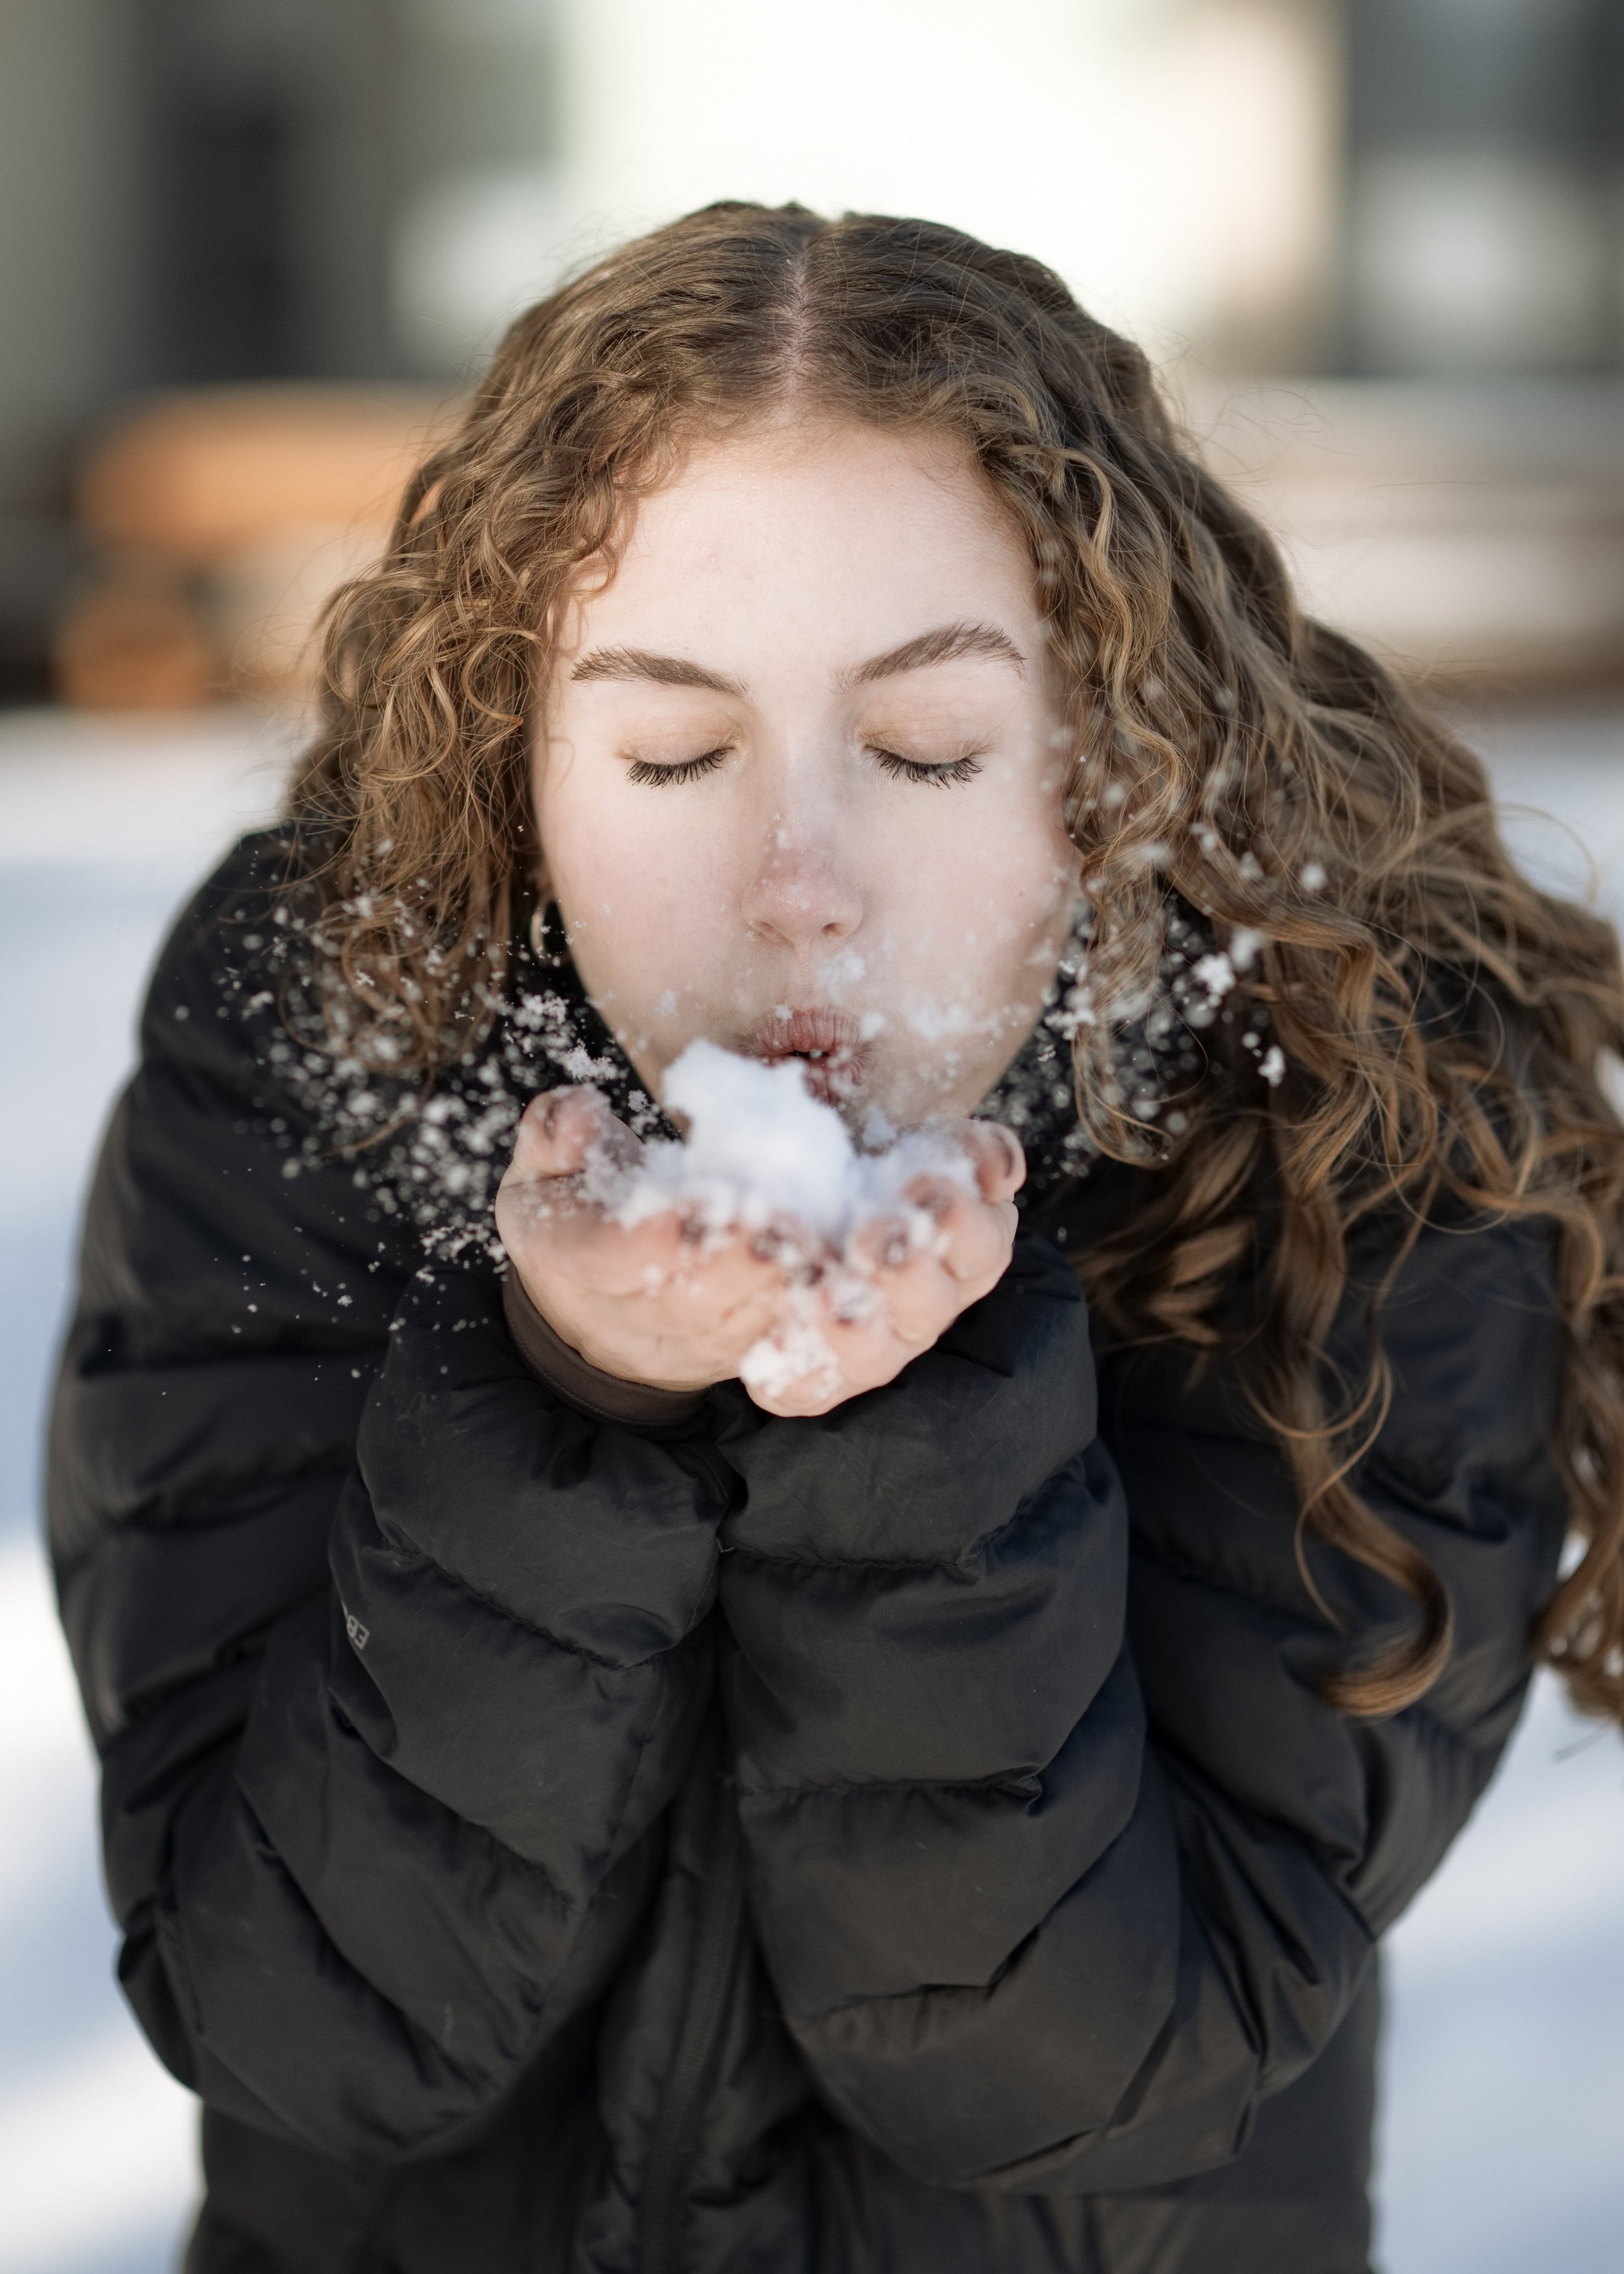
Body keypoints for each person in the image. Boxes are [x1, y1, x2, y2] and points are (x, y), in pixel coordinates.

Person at [47, 203, 1624, 2274]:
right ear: (520, 760)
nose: (797, 880)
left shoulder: (1358, 1103)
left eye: (922, 750)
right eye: (672, 752)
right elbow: (298, 2029)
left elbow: (1083, 2065)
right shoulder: (327, 1025)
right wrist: (567, 1403)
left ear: (1110, 742)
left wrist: (923, 1428)